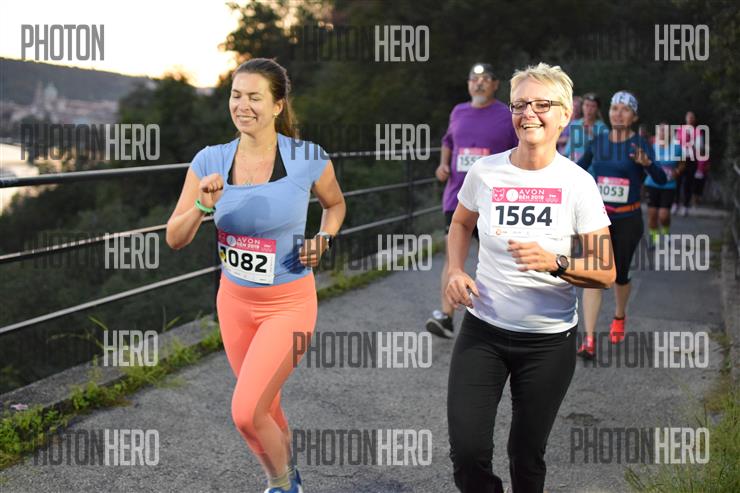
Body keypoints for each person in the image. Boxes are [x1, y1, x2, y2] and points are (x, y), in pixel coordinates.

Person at [166, 58, 346, 493]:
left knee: (247, 412)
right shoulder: (209, 161)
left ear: (278, 105)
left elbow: (335, 205)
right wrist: (203, 206)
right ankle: (290, 474)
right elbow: (175, 237)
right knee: (268, 405)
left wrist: (323, 238)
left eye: (254, 97)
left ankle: (281, 484)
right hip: (234, 304)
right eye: (236, 95)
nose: (242, 106)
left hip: (289, 305)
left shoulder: (307, 157)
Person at [446, 62, 615, 493]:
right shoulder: (486, 172)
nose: (529, 114)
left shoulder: (578, 184)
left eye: (542, 104)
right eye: (520, 105)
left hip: (547, 343)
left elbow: (605, 272)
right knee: (467, 452)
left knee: (526, 455)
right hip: (483, 331)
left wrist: (555, 262)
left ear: (565, 114)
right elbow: (461, 223)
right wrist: (454, 269)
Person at [427, 62, 518, 339]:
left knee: (491, 257)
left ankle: (495, 317)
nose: (478, 83)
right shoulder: (458, 111)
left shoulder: (506, 115)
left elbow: (520, 151)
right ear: (468, 84)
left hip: (494, 199)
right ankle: (446, 316)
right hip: (457, 196)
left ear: (496, 84)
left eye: (485, 78)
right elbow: (448, 142)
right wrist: (443, 165)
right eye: (474, 78)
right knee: (453, 254)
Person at [576, 91, 666, 358]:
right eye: (615, 108)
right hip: (598, 219)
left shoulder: (640, 144)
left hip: (628, 218)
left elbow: (661, 178)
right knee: (593, 275)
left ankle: (619, 315)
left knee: (620, 274)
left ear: (634, 116)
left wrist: (647, 164)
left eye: (625, 110)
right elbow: (578, 170)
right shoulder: (598, 141)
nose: (618, 113)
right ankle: (589, 339)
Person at [645, 122, 684, 247]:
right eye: (660, 130)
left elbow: (682, 163)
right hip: (652, 184)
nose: (662, 133)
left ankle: (666, 233)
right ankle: (654, 240)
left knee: (663, 215)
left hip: (668, 186)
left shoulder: (677, 148)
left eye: (665, 130)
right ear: (657, 133)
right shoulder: (651, 147)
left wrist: (677, 171)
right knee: (652, 215)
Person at [561, 92, 607, 162]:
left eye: (593, 106)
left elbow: (605, 150)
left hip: (590, 166)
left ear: (597, 109)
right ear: (582, 107)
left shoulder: (603, 128)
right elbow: (569, 147)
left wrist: (592, 135)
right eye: (587, 105)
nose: (589, 109)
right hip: (572, 165)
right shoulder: (575, 124)